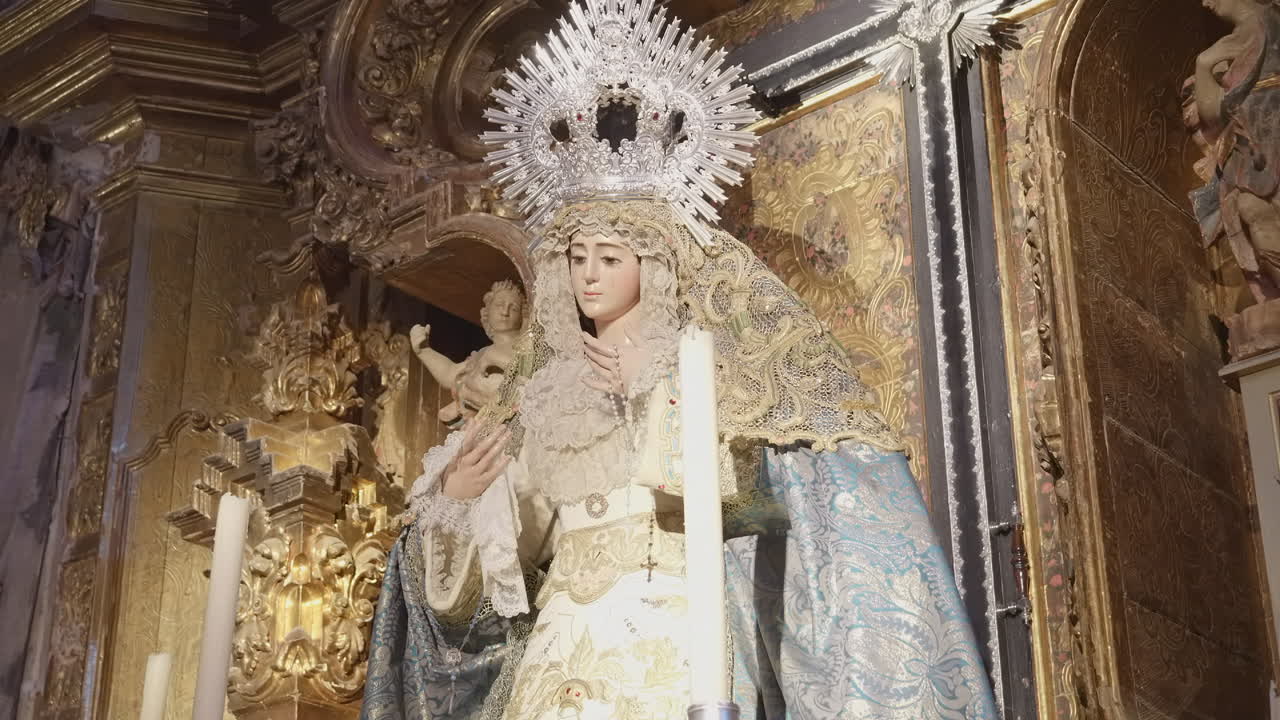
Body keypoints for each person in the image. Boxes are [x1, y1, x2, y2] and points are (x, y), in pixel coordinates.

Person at [360, 2, 998, 718]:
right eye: (575, 259)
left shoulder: (703, 374)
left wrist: (652, 402)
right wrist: (459, 503)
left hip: (677, 640)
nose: (587, 277)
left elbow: (768, 503)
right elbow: (495, 579)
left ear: (654, 262)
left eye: (608, 257)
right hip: (559, 652)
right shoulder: (544, 393)